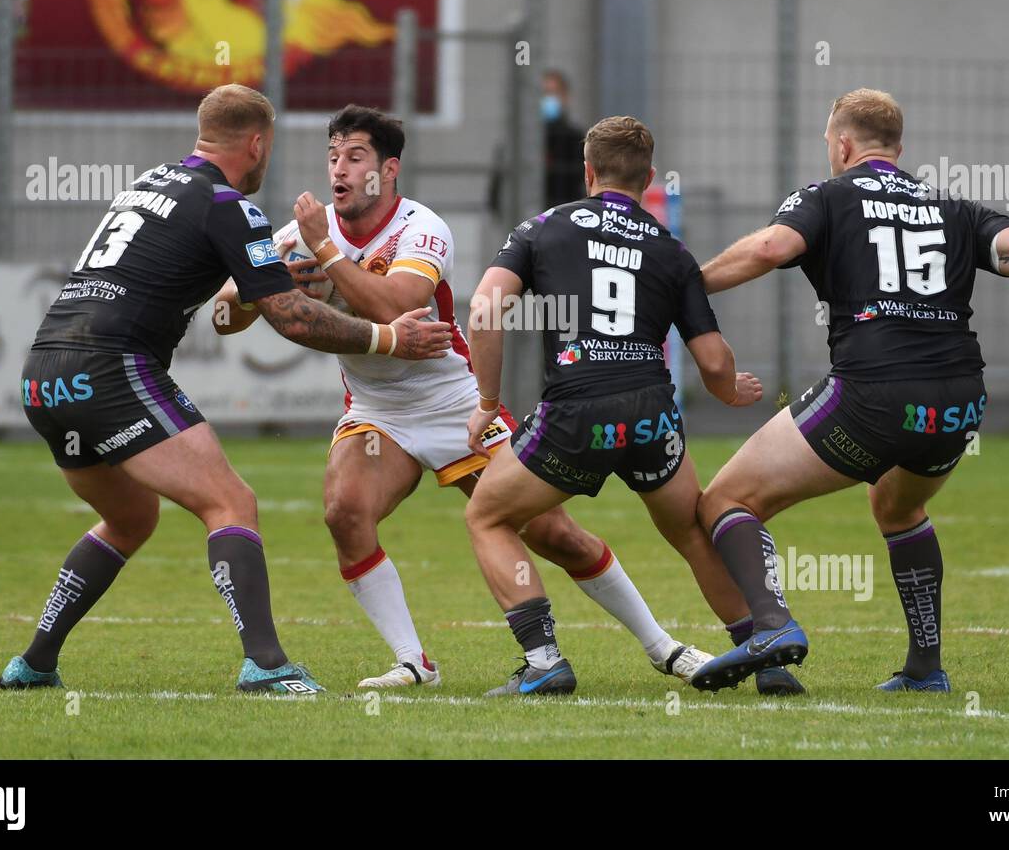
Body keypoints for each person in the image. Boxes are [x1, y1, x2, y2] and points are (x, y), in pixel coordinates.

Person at [214, 104, 724, 690]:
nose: (340, 170)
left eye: (355, 157)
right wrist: (259, 290)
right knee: (345, 512)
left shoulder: (420, 227)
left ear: (389, 170)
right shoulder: (300, 235)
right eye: (333, 157)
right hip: (377, 412)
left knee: (552, 533)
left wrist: (325, 257)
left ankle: (663, 646)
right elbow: (225, 316)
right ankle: (414, 662)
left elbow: (392, 303)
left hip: (456, 403)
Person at [0, 85, 451, 696]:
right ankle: (266, 665)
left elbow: (229, 308)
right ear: (257, 144)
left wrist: (259, 285)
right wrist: (386, 340)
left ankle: (33, 663)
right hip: (112, 369)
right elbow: (294, 318)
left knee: (129, 517)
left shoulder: (146, 185)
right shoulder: (228, 205)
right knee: (232, 504)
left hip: (45, 372)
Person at [688, 88, 1009, 694]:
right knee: (898, 507)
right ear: (898, 149)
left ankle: (771, 628)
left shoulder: (826, 197)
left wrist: (683, 291)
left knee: (724, 502)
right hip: (958, 399)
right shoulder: (954, 207)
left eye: (830, 143)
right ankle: (925, 669)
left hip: (872, 394)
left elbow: (771, 248)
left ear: (843, 145)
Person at [462, 115, 796, 697]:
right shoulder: (670, 249)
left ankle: (544, 661)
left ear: (587, 170)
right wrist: (728, 392)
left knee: (488, 516)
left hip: (578, 409)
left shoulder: (543, 227)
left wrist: (489, 401)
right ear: (647, 178)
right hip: (651, 413)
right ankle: (766, 657)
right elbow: (715, 362)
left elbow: (485, 309)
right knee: (692, 532)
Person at [542, 69, 587, 208]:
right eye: (544, 94)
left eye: (554, 93)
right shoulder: (518, 141)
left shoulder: (576, 140)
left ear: (565, 97)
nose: (548, 99)